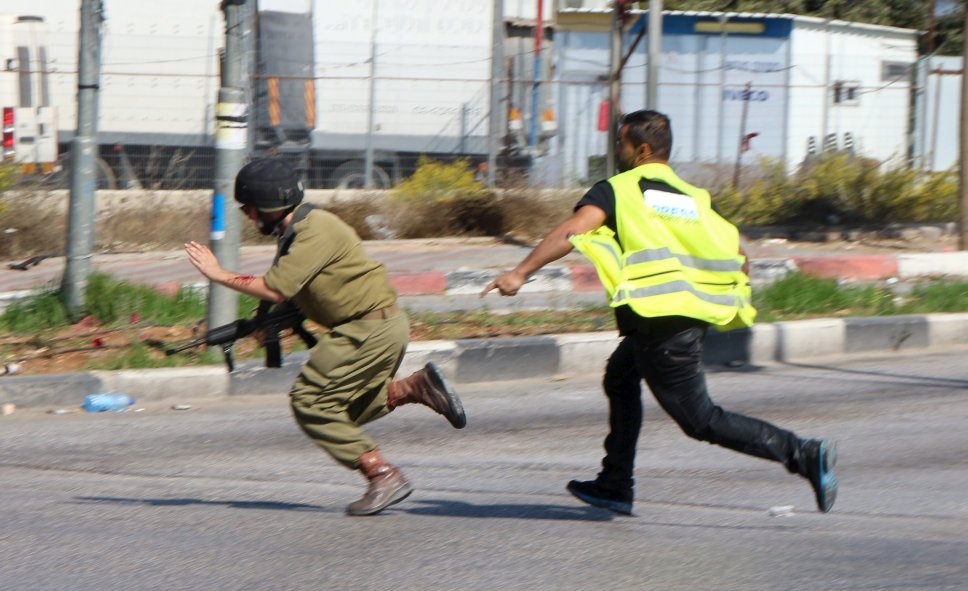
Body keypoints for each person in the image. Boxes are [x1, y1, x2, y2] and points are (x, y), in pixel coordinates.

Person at [481, 110, 837, 515]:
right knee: (620, 378)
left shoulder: (620, 189)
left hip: (661, 325)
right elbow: (738, 255)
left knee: (700, 420)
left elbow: (572, 231)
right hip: (683, 317)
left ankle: (803, 453)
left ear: (642, 149)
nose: (617, 150)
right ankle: (615, 483)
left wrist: (520, 273)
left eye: (621, 143)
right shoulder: (693, 198)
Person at [185, 158, 467, 516]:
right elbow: (297, 295)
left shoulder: (314, 230)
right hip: (376, 327)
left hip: (366, 329)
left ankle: (382, 474)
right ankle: (414, 387)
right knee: (340, 415)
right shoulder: (297, 231)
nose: (248, 216)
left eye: (248, 209)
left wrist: (218, 273)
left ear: (266, 205)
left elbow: (276, 288)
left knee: (309, 402)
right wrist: (263, 326)